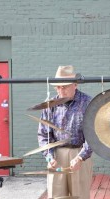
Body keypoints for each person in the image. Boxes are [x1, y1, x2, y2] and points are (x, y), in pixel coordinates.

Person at [37, 65, 93, 199]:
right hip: (57, 154)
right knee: (56, 195)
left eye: (65, 86)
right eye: (58, 87)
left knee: (80, 195)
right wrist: (49, 156)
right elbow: (44, 134)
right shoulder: (50, 104)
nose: (61, 90)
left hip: (80, 154)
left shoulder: (88, 102)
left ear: (75, 84)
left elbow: (93, 136)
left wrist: (81, 157)